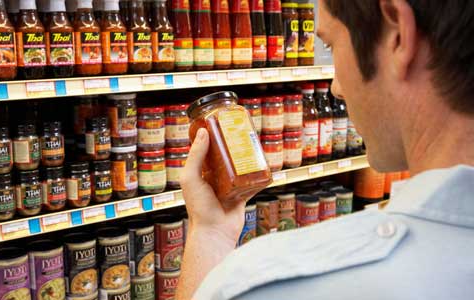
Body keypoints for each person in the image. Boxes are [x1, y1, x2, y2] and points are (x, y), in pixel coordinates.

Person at [176, 0, 474, 299]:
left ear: (397, 36)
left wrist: (209, 232)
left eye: (331, 45)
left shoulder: (267, 285)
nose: (336, 88)